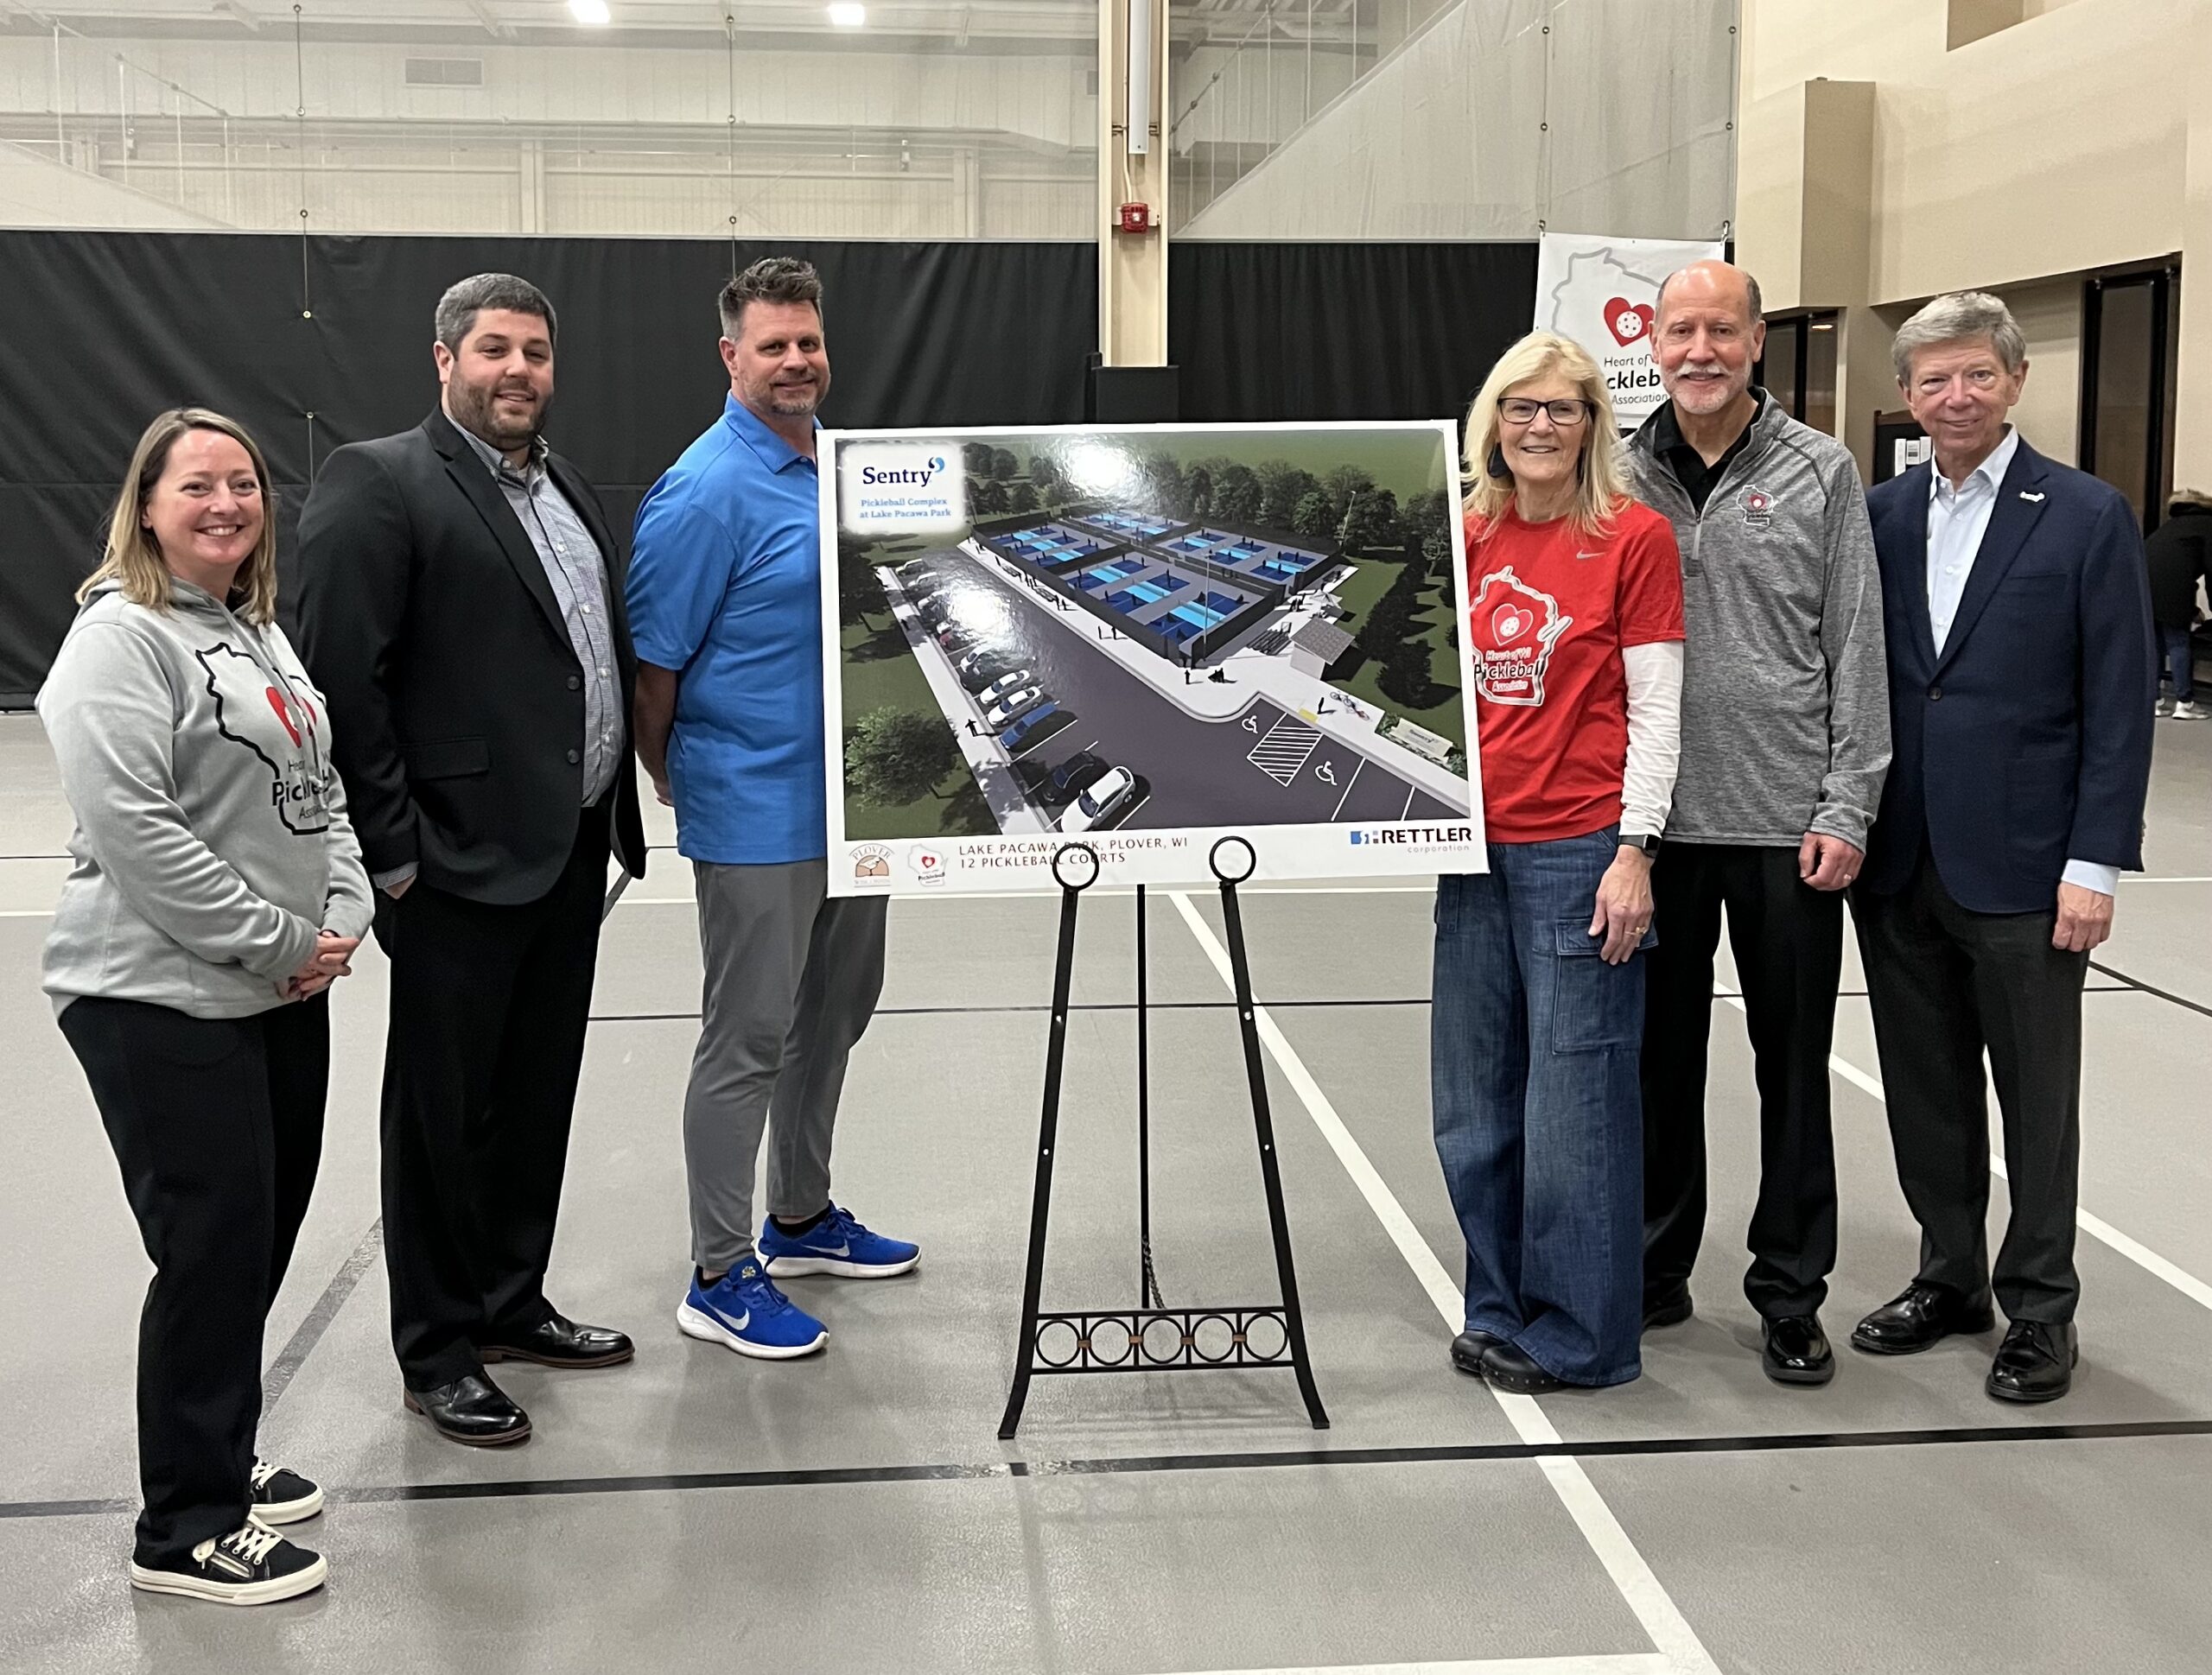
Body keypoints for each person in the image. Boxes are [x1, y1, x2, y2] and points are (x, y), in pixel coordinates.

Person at [296, 273, 648, 1445]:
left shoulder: (568, 487)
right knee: (441, 1114)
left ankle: (508, 1300)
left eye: (535, 351)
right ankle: (438, 1345)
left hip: (568, 851)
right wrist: (395, 857)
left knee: (534, 1093)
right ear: (444, 359)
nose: (518, 370)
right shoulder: (380, 482)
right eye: (495, 348)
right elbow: (344, 683)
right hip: (452, 865)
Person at [41, 409, 372, 1604]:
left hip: (275, 986)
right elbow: (138, 832)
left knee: (260, 1234)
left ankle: (216, 1446)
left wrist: (342, 912)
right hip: (158, 994)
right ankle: (185, 1524)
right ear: (145, 505)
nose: (226, 502)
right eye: (197, 485)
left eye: (243, 483)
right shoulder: (117, 640)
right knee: (210, 1247)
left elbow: (317, 788)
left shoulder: (255, 628)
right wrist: (279, 940)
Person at [1854, 291, 2156, 1404]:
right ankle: (1948, 1276)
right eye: (1934, 379)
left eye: (1977, 374)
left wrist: (2094, 862)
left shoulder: (2083, 515)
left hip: (2029, 867)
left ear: (2015, 381)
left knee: (2036, 1100)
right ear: (1905, 394)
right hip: (1899, 856)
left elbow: (2118, 703)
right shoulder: (1878, 515)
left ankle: (2039, 1307)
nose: (1956, 396)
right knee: (1923, 1086)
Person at [628, 256, 918, 1362]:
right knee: (747, 1037)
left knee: (833, 1014)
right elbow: (655, 667)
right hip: (755, 808)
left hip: (858, 806)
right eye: (773, 345)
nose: (797, 360)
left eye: (809, 341)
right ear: (730, 355)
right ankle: (717, 1272)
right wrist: (674, 774)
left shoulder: (841, 468)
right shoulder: (703, 491)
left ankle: (798, 1216)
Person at [1624, 260, 1890, 1388]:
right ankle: (1653, 1266)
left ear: (1756, 341)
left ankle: (1789, 1290)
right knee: (1657, 1062)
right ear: (1654, 342)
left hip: (1788, 828)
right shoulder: (1616, 470)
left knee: (1790, 1066)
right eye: (1681, 330)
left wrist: (1847, 802)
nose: (1700, 350)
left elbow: (1857, 646)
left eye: (1720, 331)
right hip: (1656, 831)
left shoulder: (1821, 469)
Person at [1432, 330, 1686, 1393]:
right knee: (1473, 1106)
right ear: (1492, 421)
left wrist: (1634, 851)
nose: (1539, 426)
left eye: (1562, 409)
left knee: (1574, 1113)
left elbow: (1657, 711)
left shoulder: (1633, 538)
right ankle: (1499, 1305)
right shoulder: (1461, 532)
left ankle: (1585, 1337)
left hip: (1578, 850)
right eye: (1521, 406)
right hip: (1469, 855)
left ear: (1591, 425)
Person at [2145, 490, 2209, 719]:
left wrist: (2193, 610)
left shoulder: (2169, 527)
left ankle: (2154, 700)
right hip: (2175, 588)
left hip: (2145, 586)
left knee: (2154, 645)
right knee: (2178, 642)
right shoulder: (2207, 525)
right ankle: (2185, 703)